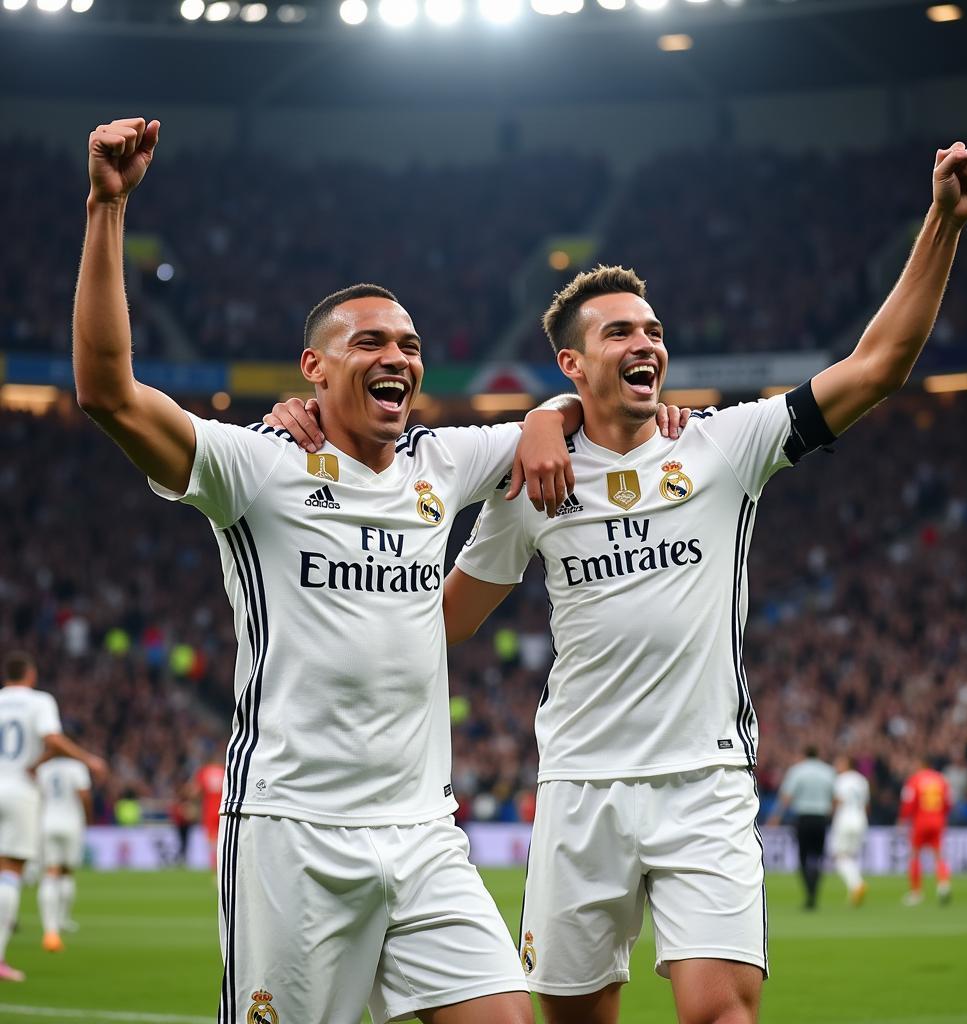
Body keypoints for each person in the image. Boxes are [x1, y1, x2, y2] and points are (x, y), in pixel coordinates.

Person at [265, 141, 967, 1024]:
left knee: (720, 1012)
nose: (647, 342)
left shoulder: (724, 446)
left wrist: (943, 226)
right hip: (579, 786)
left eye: (652, 330)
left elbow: (877, 367)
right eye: (621, 332)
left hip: (706, 781)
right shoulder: (537, 480)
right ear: (573, 365)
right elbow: (443, 618)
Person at [73, 115, 601, 1024]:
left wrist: (551, 415)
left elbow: (564, 410)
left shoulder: (442, 463)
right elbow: (107, 391)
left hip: (425, 833)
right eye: (370, 344)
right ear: (314, 369)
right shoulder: (256, 467)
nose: (397, 357)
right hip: (292, 833)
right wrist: (106, 208)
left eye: (408, 345)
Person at [0, 652, 107, 981]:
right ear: (30, 675)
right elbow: (52, 738)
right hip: (20, 792)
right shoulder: (39, 701)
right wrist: (89, 759)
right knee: (11, 870)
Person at [37, 755, 95, 951]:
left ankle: (50, 929)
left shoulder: (43, 768)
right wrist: (88, 817)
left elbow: (39, 795)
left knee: (50, 872)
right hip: (71, 823)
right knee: (67, 872)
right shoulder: (77, 767)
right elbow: (84, 795)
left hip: (47, 822)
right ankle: (63, 919)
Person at [770, 747, 836, 910]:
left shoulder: (797, 771)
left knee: (803, 857)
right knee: (818, 857)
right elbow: (835, 797)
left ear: (804, 755)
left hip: (803, 818)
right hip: (821, 818)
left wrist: (776, 817)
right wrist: (831, 815)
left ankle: (809, 893)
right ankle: (815, 891)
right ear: (818, 754)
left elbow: (787, 796)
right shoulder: (828, 771)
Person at [899, 756, 953, 906]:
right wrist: (942, 816)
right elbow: (949, 803)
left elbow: (908, 803)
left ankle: (916, 893)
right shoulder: (942, 780)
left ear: (921, 764)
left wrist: (902, 820)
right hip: (938, 821)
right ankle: (943, 886)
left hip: (920, 822)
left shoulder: (914, 780)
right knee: (939, 855)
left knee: (915, 855)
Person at [830, 754, 870, 907]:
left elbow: (838, 800)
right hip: (860, 819)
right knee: (850, 856)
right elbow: (867, 805)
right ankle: (854, 889)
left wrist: (832, 812)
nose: (837, 766)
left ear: (848, 764)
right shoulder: (862, 780)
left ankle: (856, 884)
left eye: (839, 763)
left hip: (844, 820)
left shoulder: (841, 779)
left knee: (839, 857)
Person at [188, 742, 227, 869]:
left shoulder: (204, 772)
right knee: (223, 840)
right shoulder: (224, 771)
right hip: (223, 809)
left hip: (210, 811)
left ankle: (215, 868)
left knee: (211, 843)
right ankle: (223, 865)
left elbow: (195, 792)